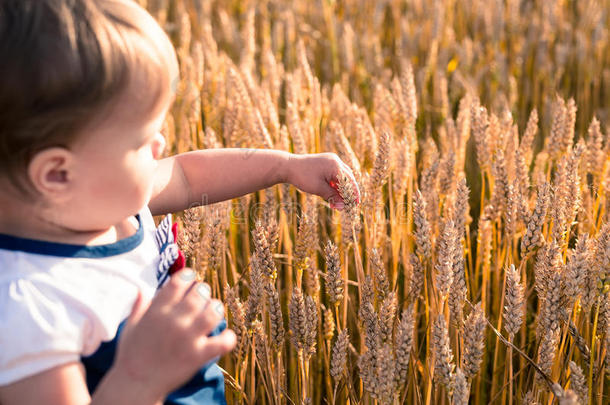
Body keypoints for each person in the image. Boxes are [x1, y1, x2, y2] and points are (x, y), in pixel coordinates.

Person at [0, 1, 359, 404]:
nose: (162, 144)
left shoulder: (108, 201)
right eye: (141, 141)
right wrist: (136, 380)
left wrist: (285, 167)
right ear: (58, 174)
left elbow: (189, 176)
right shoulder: (29, 307)